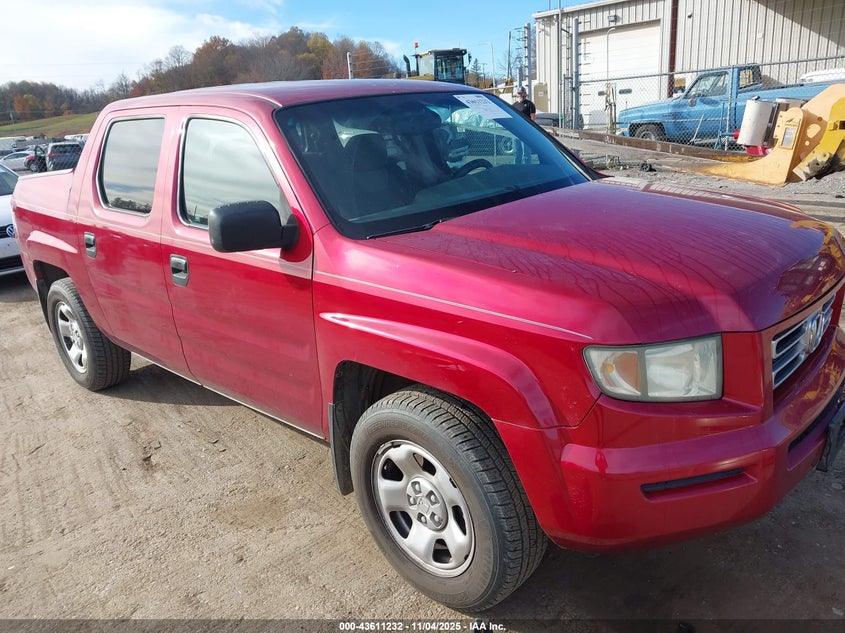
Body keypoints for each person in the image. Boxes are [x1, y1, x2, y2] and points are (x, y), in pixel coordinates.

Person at [511, 86, 536, 164]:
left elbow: (533, 118)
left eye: (522, 93)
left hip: (526, 132)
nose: (520, 95)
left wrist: (531, 130)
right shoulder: (514, 105)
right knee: (517, 153)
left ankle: (528, 169)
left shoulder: (529, 104)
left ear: (525, 94)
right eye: (519, 93)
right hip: (516, 132)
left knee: (526, 153)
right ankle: (517, 168)